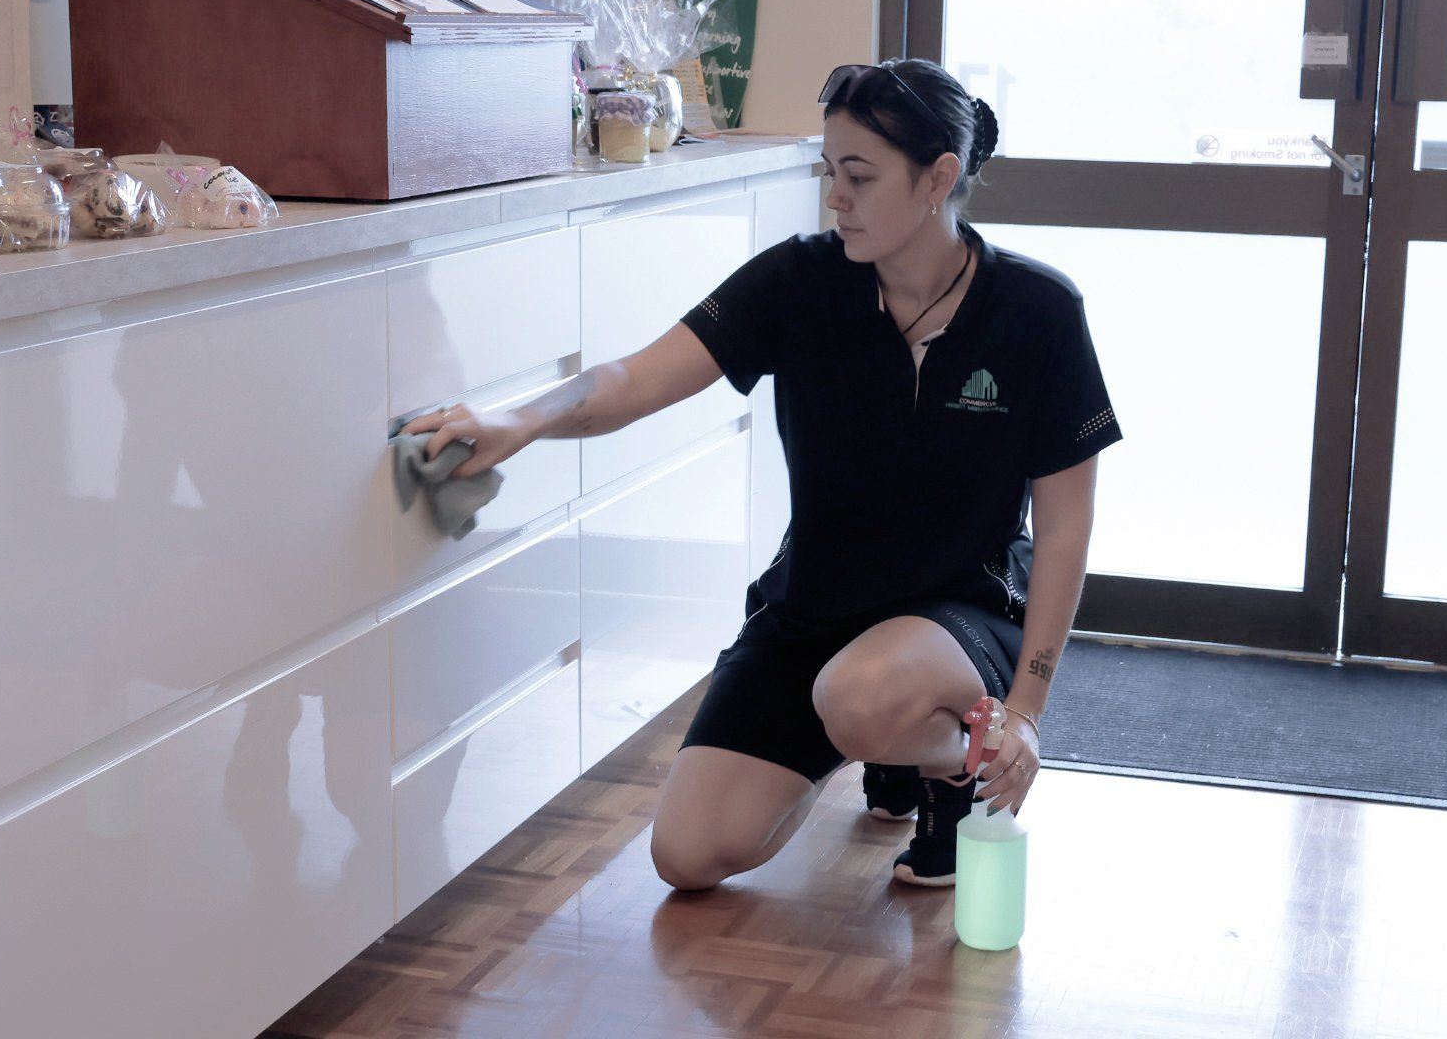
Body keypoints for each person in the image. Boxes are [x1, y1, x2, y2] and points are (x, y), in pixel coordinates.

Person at [401, 58, 1122, 890]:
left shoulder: (1037, 313)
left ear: (939, 178)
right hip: (814, 613)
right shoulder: (800, 281)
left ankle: (945, 764)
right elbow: (637, 377)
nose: (834, 197)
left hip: (965, 612)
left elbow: (1066, 527)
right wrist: (518, 419)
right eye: (829, 172)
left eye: (859, 175)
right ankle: (875, 743)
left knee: (864, 695)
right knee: (689, 855)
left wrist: (1025, 713)